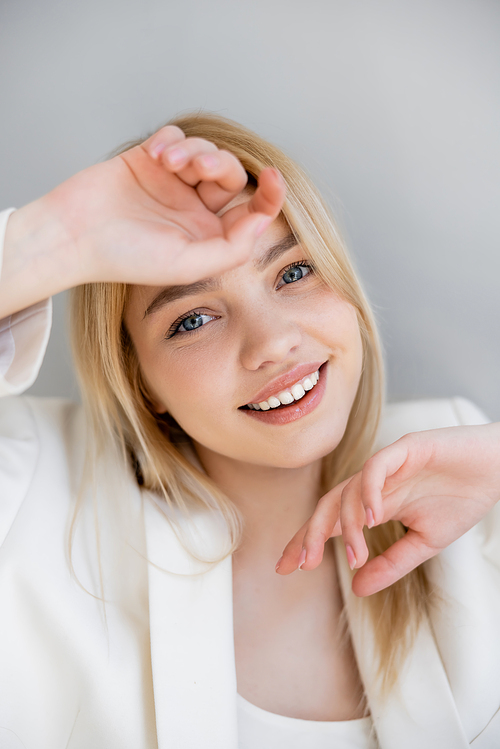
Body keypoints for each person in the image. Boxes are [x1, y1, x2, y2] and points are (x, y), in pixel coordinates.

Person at [0, 113, 498, 749]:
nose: (273, 343)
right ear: (141, 382)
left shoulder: (469, 475)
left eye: (293, 272)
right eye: (192, 320)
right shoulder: (33, 492)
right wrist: (51, 241)